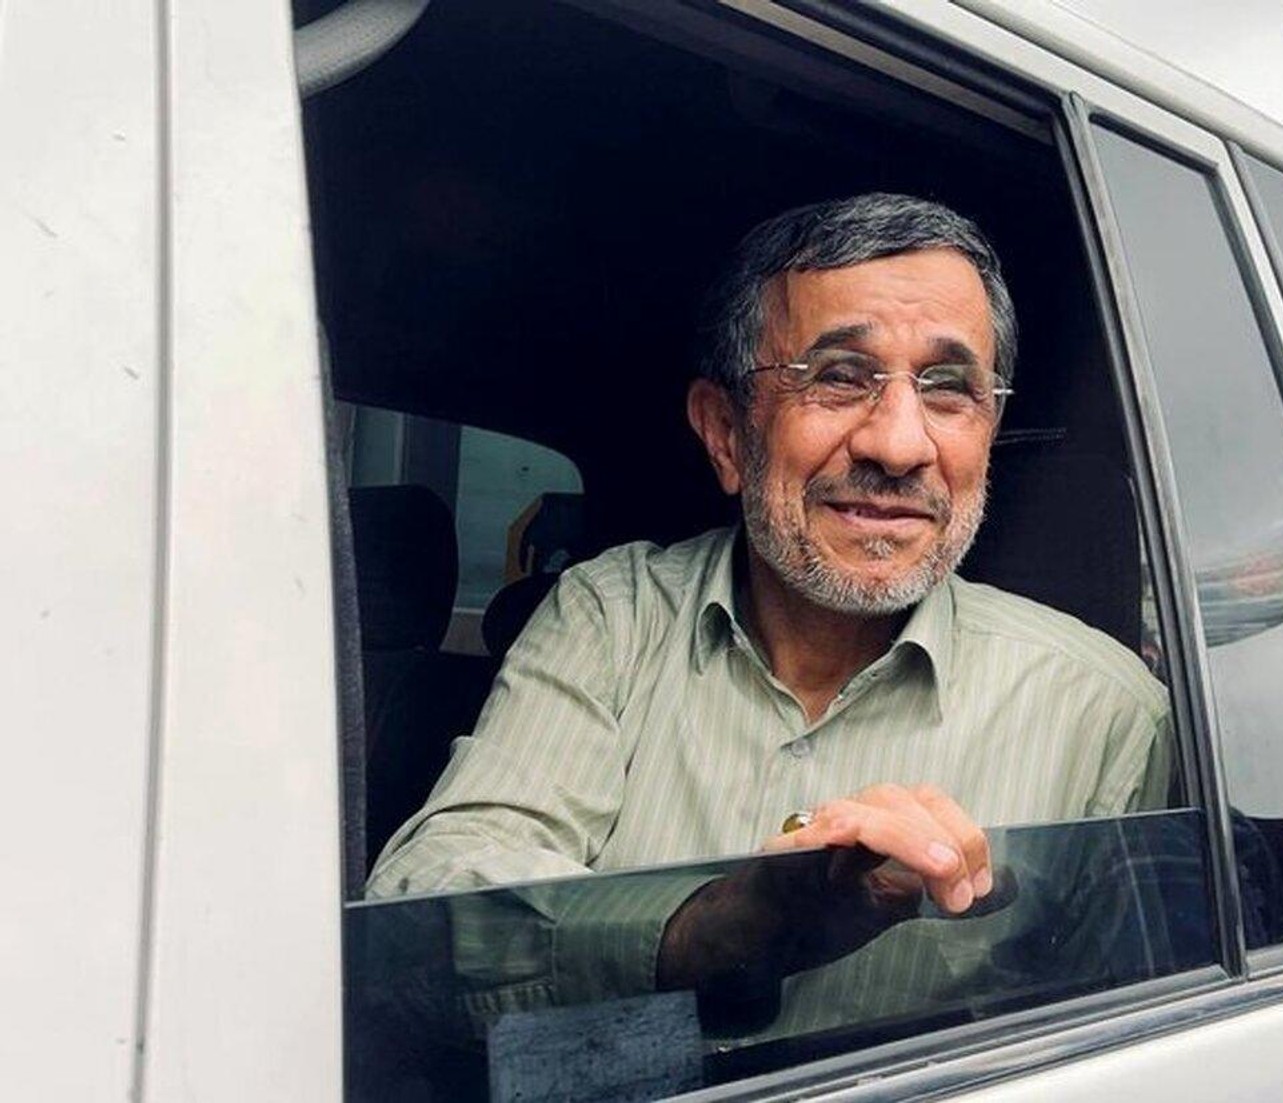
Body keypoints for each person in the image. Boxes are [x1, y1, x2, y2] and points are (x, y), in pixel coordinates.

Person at [366, 192, 1171, 1037]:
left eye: (948, 388)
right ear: (725, 432)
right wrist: (714, 928)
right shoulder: (613, 617)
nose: (900, 446)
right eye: (838, 376)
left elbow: (1135, 1048)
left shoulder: (1106, 712)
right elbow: (426, 905)